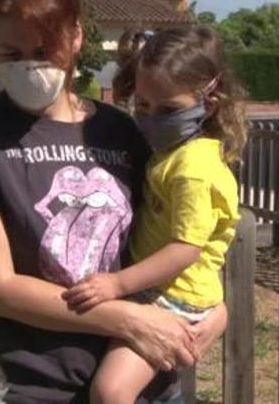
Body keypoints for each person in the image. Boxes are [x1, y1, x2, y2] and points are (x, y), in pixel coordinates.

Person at [0, 0, 228, 404]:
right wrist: (127, 319)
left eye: (45, 51)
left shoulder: (122, 131)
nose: (30, 66)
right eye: (11, 54)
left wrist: (215, 311)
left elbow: (180, 234)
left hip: (145, 382)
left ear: (78, 36)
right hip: (33, 390)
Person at [63, 26, 246, 403]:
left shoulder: (193, 167)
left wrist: (116, 284)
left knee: (112, 391)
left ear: (209, 102)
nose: (150, 119)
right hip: (161, 290)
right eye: (143, 106)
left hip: (172, 296)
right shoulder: (173, 153)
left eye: (169, 110)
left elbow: (185, 249)